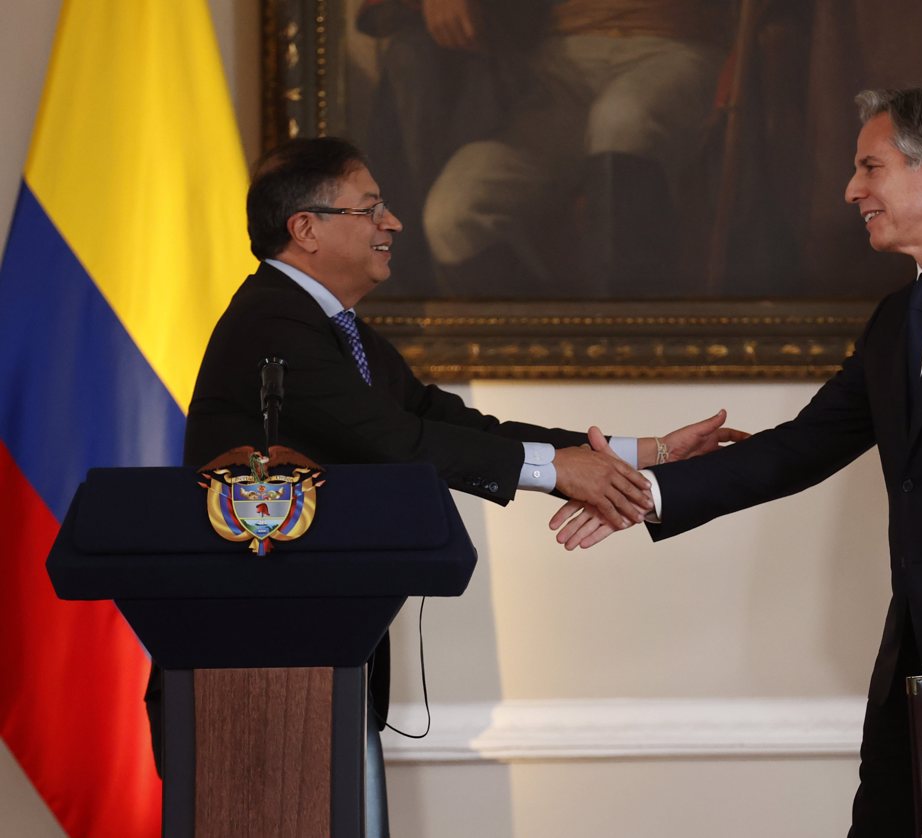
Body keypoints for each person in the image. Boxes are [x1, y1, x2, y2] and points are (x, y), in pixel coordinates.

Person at [552, 84, 922, 835]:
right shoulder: (899, 317)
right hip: (917, 654)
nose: (851, 190)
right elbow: (802, 449)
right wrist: (644, 492)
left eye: (870, 168)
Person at [154, 136, 745, 836]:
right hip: (253, 672)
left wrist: (642, 452)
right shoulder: (271, 324)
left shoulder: (337, 330)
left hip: (313, 661)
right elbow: (398, 444)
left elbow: (453, 422)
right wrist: (560, 471)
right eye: (370, 208)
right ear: (305, 228)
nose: (393, 223)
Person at [420, 0, 735, 297]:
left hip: (677, 47)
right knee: (452, 216)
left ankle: (624, 339)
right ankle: (542, 343)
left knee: (621, 120)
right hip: (559, 66)